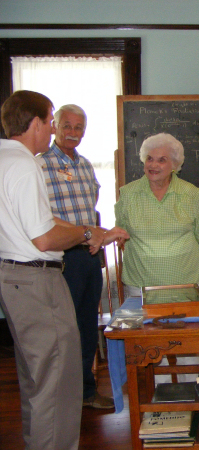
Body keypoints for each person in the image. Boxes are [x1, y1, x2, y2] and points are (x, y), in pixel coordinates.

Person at [0, 90, 128, 450]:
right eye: (54, 119)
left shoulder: (4, 158)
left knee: (37, 378)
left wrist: (93, 233)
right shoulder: (28, 164)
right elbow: (44, 237)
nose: (59, 128)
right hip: (37, 276)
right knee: (58, 379)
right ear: (40, 123)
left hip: (13, 276)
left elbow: (38, 221)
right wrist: (88, 233)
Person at [37, 104, 113, 409]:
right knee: (60, 331)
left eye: (79, 127)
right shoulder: (39, 165)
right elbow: (42, 218)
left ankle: (85, 391)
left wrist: (96, 236)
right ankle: (61, 397)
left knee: (85, 327)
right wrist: (85, 232)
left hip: (89, 256)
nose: (73, 133)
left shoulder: (85, 165)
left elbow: (90, 209)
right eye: (66, 125)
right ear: (54, 126)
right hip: (60, 257)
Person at [115, 132, 199, 291]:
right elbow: (121, 235)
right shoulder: (127, 194)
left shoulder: (192, 194)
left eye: (161, 160)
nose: (153, 165)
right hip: (139, 284)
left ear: (174, 165)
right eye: (149, 158)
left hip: (185, 283)